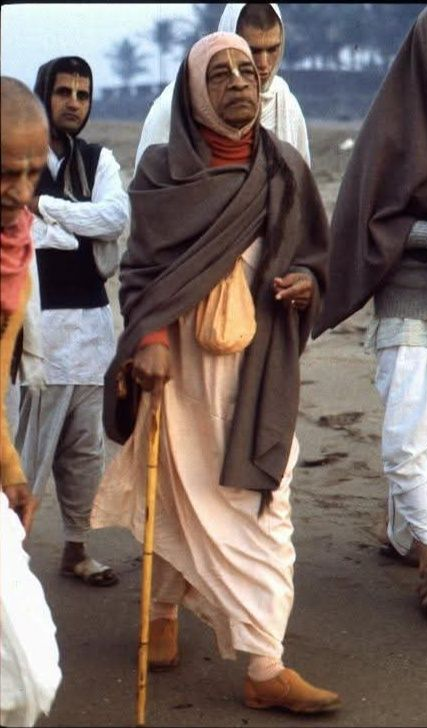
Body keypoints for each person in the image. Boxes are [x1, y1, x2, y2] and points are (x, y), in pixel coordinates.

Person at [92, 31, 340, 714]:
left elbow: (317, 256)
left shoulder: (285, 168)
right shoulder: (161, 172)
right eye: (220, 73)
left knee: (263, 504)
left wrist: (307, 284)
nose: (238, 81)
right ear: (195, 93)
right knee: (179, 496)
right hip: (180, 373)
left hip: (259, 373)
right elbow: (140, 273)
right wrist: (148, 338)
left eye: (246, 70)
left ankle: (264, 665)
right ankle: (164, 615)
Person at [313, 4, 427, 615]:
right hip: (405, 290)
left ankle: (404, 533)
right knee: (407, 438)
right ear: (422, 48)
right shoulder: (394, 116)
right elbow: (365, 213)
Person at [15, 56, 129, 587]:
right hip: (37, 332)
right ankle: (9, 559)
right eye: (64, 92)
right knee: (26, 456)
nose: (74, 103)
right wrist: (71, 223)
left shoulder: (98, 159)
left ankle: (77, 550)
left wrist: (47, 207)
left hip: (93, 331)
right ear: (45, 94)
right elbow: (28, 234)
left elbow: (115, 217)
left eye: (83, 95)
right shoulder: (18, 159)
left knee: (85, 453)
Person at [1, 75, 62, 728]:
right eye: (5, 173)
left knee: (31, 675)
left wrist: (11, 470)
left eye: (33, 173)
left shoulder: (16, 244)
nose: (21, 193)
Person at [135, 3, 311, 167]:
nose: (264, 64)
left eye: (272, 49)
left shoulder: (286, 105)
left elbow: (301, 181)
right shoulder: (177, 105)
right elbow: (150, 183)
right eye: (253, 50)